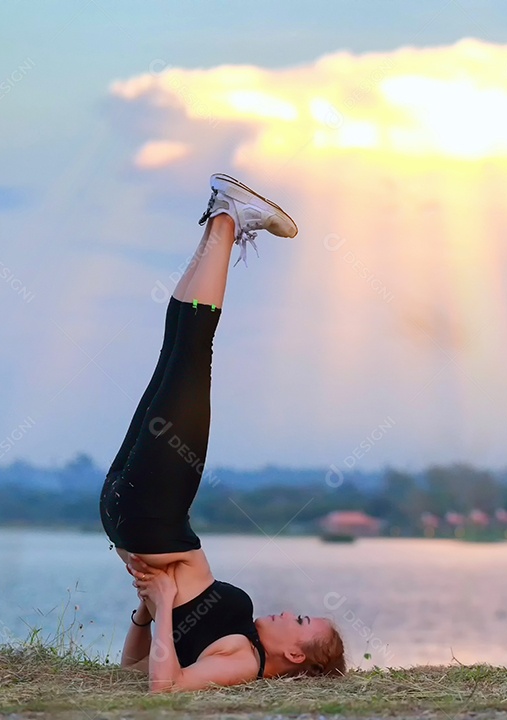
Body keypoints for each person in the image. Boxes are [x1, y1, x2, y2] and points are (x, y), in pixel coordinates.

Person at [98, 174, 346, 692]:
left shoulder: (243, 661)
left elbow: (162, 686)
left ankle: (229, 217)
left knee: (191, 356)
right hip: (131, 512)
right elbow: (132, 668)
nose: (288, 613)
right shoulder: (240, 637)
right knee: (175, 353)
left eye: (299, 622)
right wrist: (146, 612)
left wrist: (162, 604)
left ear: (295, 653)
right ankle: (219, 219)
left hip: (152, 519)